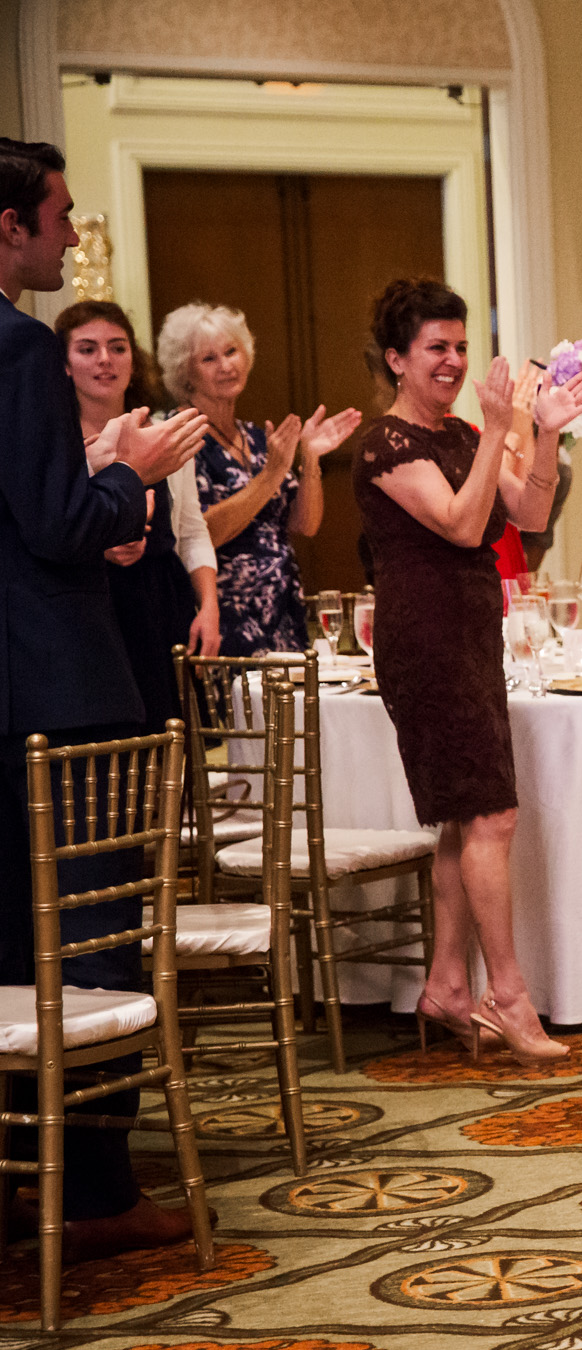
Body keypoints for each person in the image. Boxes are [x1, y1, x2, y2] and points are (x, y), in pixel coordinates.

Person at [0, 137, 209, 1261]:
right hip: (60, 686)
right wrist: (126, 471)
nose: (73, 236)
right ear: (8, 226)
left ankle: (17, 1174)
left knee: (5, 937)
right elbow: (55, 525)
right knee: (92, 931)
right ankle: (91, 1192)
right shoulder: (19, 348)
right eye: (60, 215)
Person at [354, 278, 582, 1065]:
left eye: (461, 346)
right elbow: (464, 525)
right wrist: (501, 427)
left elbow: (526, 515)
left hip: (471, 633)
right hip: (423, 639)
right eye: (437, 348)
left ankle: (447, 986)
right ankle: (510, 994)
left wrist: (545, 432)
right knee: (492, 815)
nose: (455, 361)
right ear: (397, 359)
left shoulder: (463, 433)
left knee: (468, 816)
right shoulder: (385, 444)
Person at [157, 302, 359, 655]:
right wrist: (269, 477)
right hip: (225, 618)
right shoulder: (180, 437)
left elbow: (305, 524)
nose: (226, 366)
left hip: (283, 613)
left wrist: (309, 458)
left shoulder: (256, 438)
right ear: (185, 373)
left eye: (231, 351)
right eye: (209, 359)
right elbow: (199, 532)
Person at [58, 301, 219, 726]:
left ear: (134, 359)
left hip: (161, 603)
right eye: (87, 349)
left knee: (172, 747)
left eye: (118, 347)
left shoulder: (164, 432)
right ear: (65, 364)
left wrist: (209, 606)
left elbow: (191, 529)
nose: (105, 360)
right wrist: (102, 548)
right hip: (92, 608)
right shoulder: (58, 445)